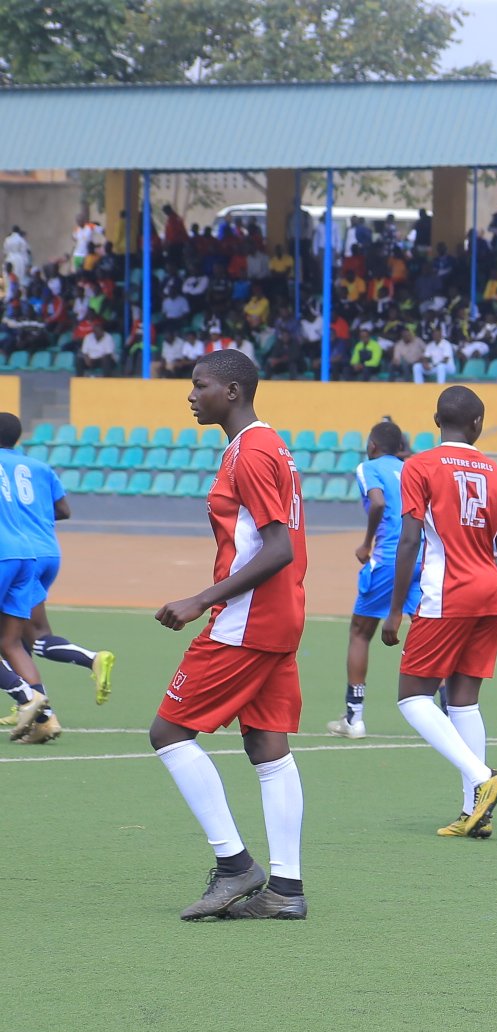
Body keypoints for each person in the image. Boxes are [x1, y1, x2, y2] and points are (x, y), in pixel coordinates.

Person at [149, 350, 310, 921]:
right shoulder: (269, 446)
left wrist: (200, 599)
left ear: (233, 392)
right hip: (278, 615)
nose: (191, 395)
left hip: (249, 620)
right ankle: (286, 892)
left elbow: (278, 548)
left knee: (168, 732)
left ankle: (235, 864)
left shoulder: (252, 451)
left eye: (201, 386)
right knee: (268, 747)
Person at [381, 385, 497, 838]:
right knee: (464, 701)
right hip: (490, 595)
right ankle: (473, 813)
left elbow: (409, 540)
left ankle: (483, 780)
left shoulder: (419, 466)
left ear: (436, 420)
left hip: (448, 594)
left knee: (412, 697)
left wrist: (394, 612)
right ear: (478, 424)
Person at [0, 413, 113, 737]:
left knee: (30, 638)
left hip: (10, 551)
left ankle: (31, 701)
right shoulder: (38, 467)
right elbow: (63, 510)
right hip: (38, 551)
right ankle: (42, 717)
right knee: (15, 639)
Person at [327, 419, 420, 739]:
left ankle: (354, 717)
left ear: (373, 446)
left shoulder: (368, 467)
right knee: (425, 630)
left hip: (390, 558)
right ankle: (447, 709)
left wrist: (367, 543)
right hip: (421, 558)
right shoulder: (411, 469)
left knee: (360, 632)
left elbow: (378, 502)